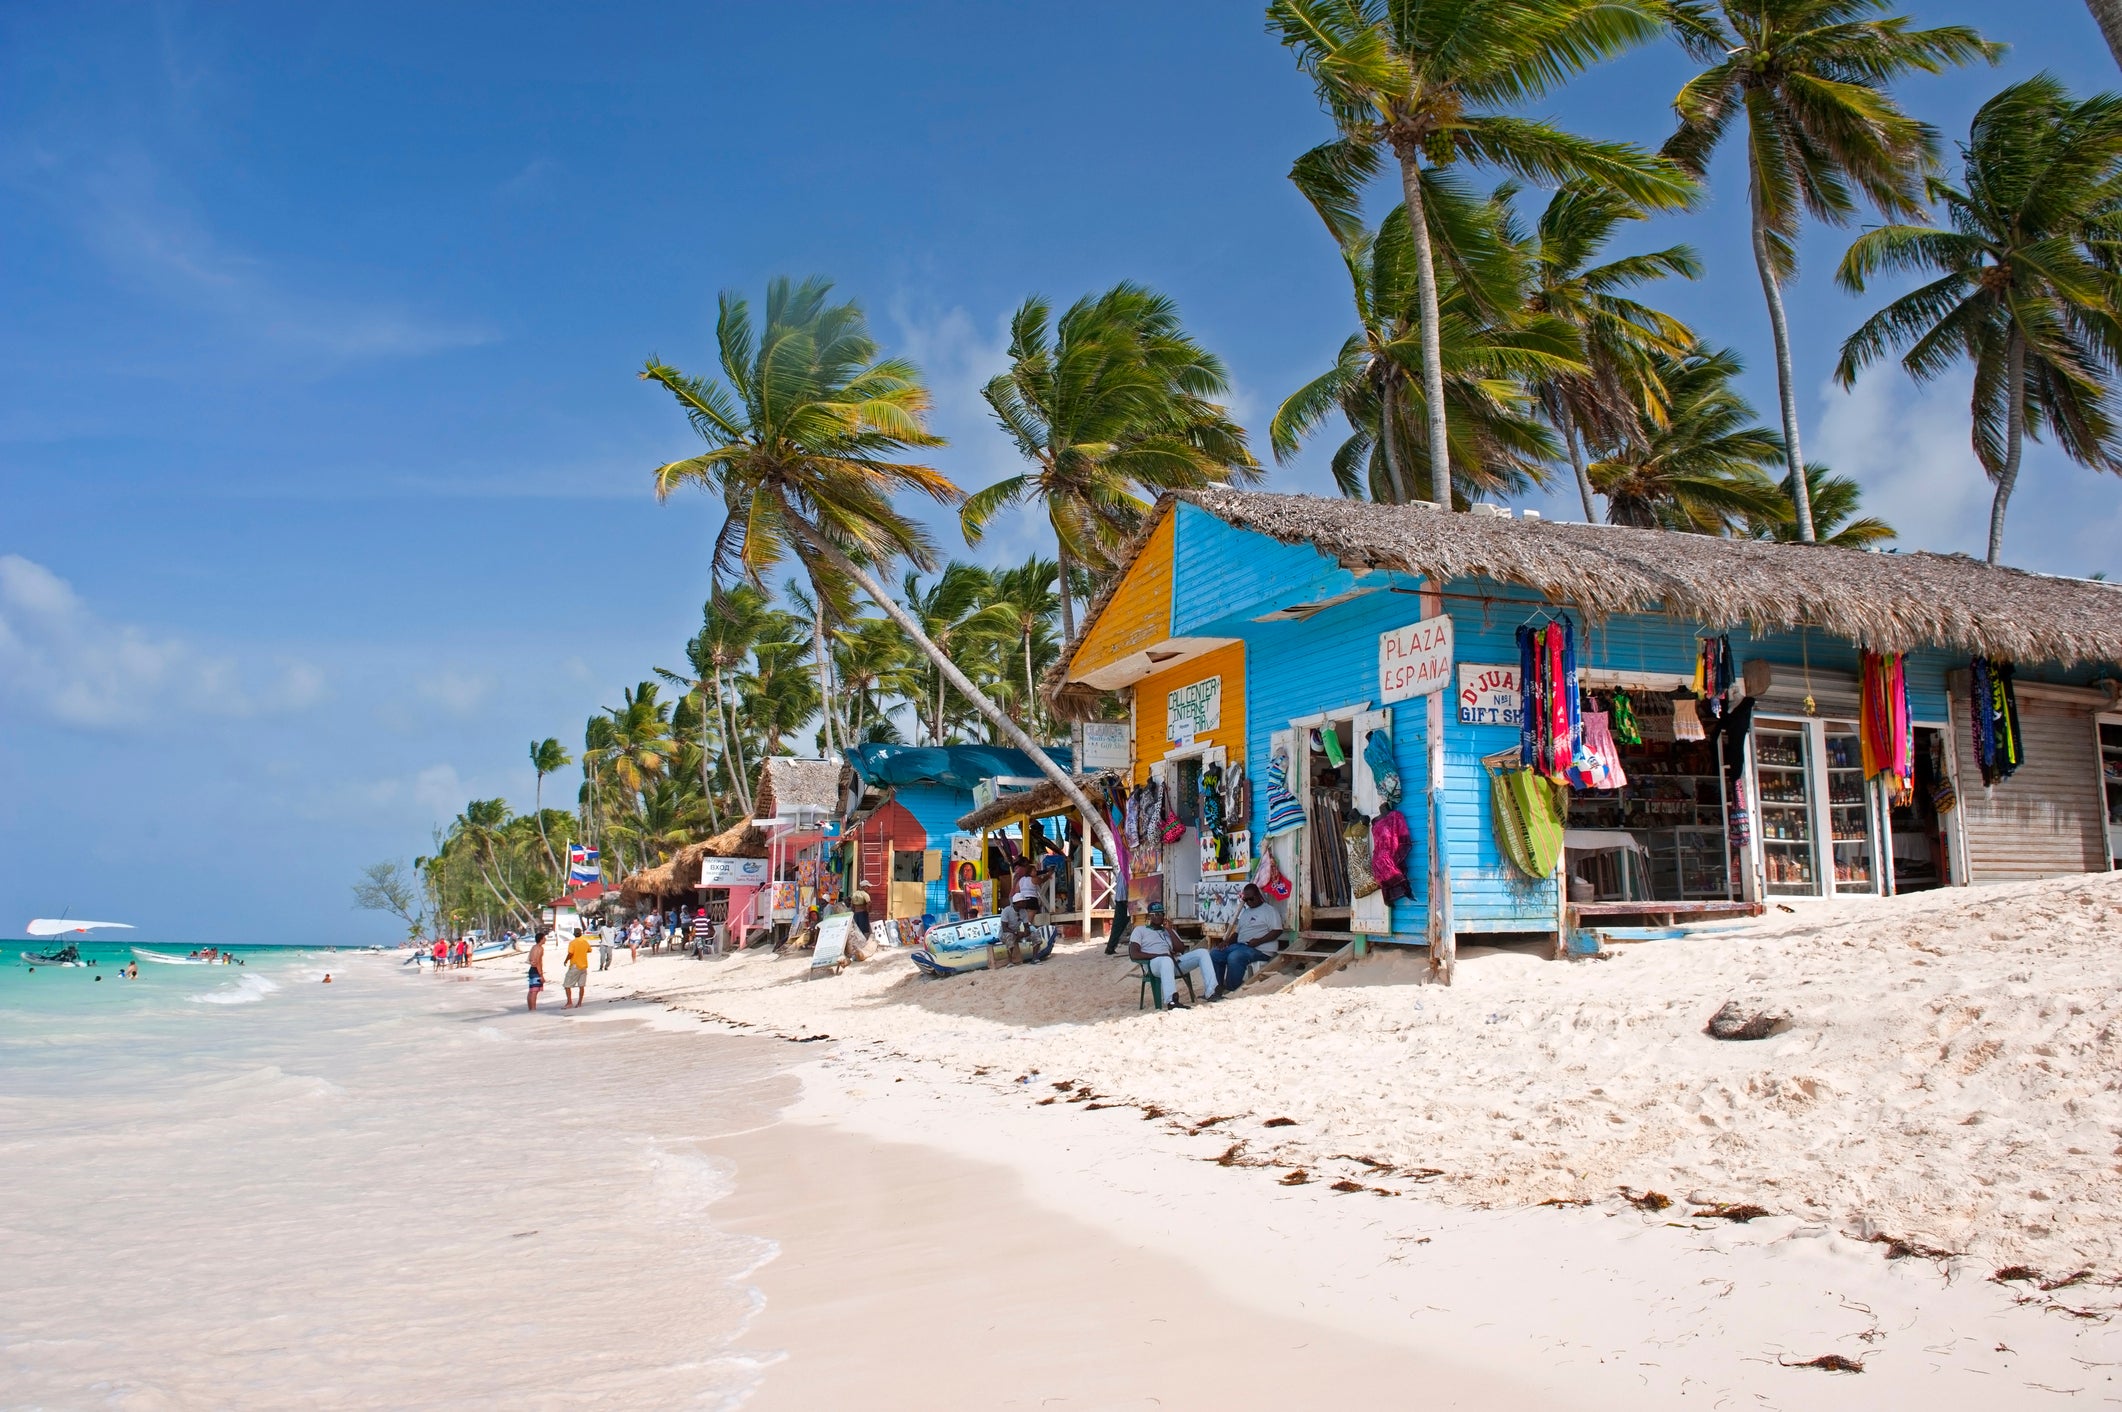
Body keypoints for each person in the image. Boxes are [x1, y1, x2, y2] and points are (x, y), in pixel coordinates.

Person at [1127, 901, 1215, 1009]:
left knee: (1203, 953)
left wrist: (1169, 930)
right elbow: (1134, 954)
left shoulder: (1168, 931)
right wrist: (1159, 955)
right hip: (1154, 965)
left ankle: (1211, 992)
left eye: (1161, 914)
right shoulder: (1140, 930)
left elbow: (1181, 949)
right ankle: (1171, 1001)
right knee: (1165, 960)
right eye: (1155, 914)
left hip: (1173, 963)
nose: (1159, 917)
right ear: (1149, 916)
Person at [1210, 883, 1287, 995]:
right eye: (1246, 900)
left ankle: (1232, 988)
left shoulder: (1269, 911)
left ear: (1258, 896)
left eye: (1251, 899)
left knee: (1235, 957)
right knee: (1215, 954)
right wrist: (1226, 942)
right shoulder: (1246, 912)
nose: (1249, 902)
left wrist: (1259, 941)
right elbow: (1237, 933)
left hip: (1261, 949)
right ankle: (1217, 987)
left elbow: (1277, 931)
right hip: (1242, 946)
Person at [563, 926, 592, 1009]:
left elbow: (570, 953)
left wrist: (566, 960)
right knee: (581, 985)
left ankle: (569, 1002)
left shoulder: (572, 943)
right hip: (584, 966)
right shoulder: (585, 942)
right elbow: (589, 950)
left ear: (574, 934)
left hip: (575, 965)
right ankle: (579, 1003)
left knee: (567, 985)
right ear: (581, 934)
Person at [526, 932, 547, 1011]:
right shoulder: (540, 948)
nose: (545, 939)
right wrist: (541, 975)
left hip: (531, 969)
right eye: (544, 938)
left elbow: (530, 960)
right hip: (536, 970)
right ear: (541, 939)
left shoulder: (533, 947)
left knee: (531, 990)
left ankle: (530, 1008)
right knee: (535, 991)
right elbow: (538, 962)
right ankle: (533, 1009)